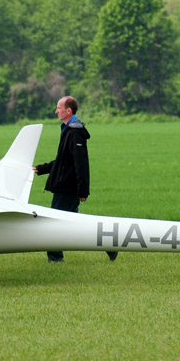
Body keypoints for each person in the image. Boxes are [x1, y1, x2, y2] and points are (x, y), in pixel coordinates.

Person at [33, 96, 117, 263]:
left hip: (67, 188)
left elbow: (81, 163)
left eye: (59, 108)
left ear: (68, 110)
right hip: (65, 186)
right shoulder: (67, 129)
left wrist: (83, 190)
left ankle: (55, 258)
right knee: (78, 225)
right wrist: (41, 169)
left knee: (53, 223)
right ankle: (108, 244)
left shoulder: (75, 132)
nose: (56, 111)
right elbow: (64, 161)